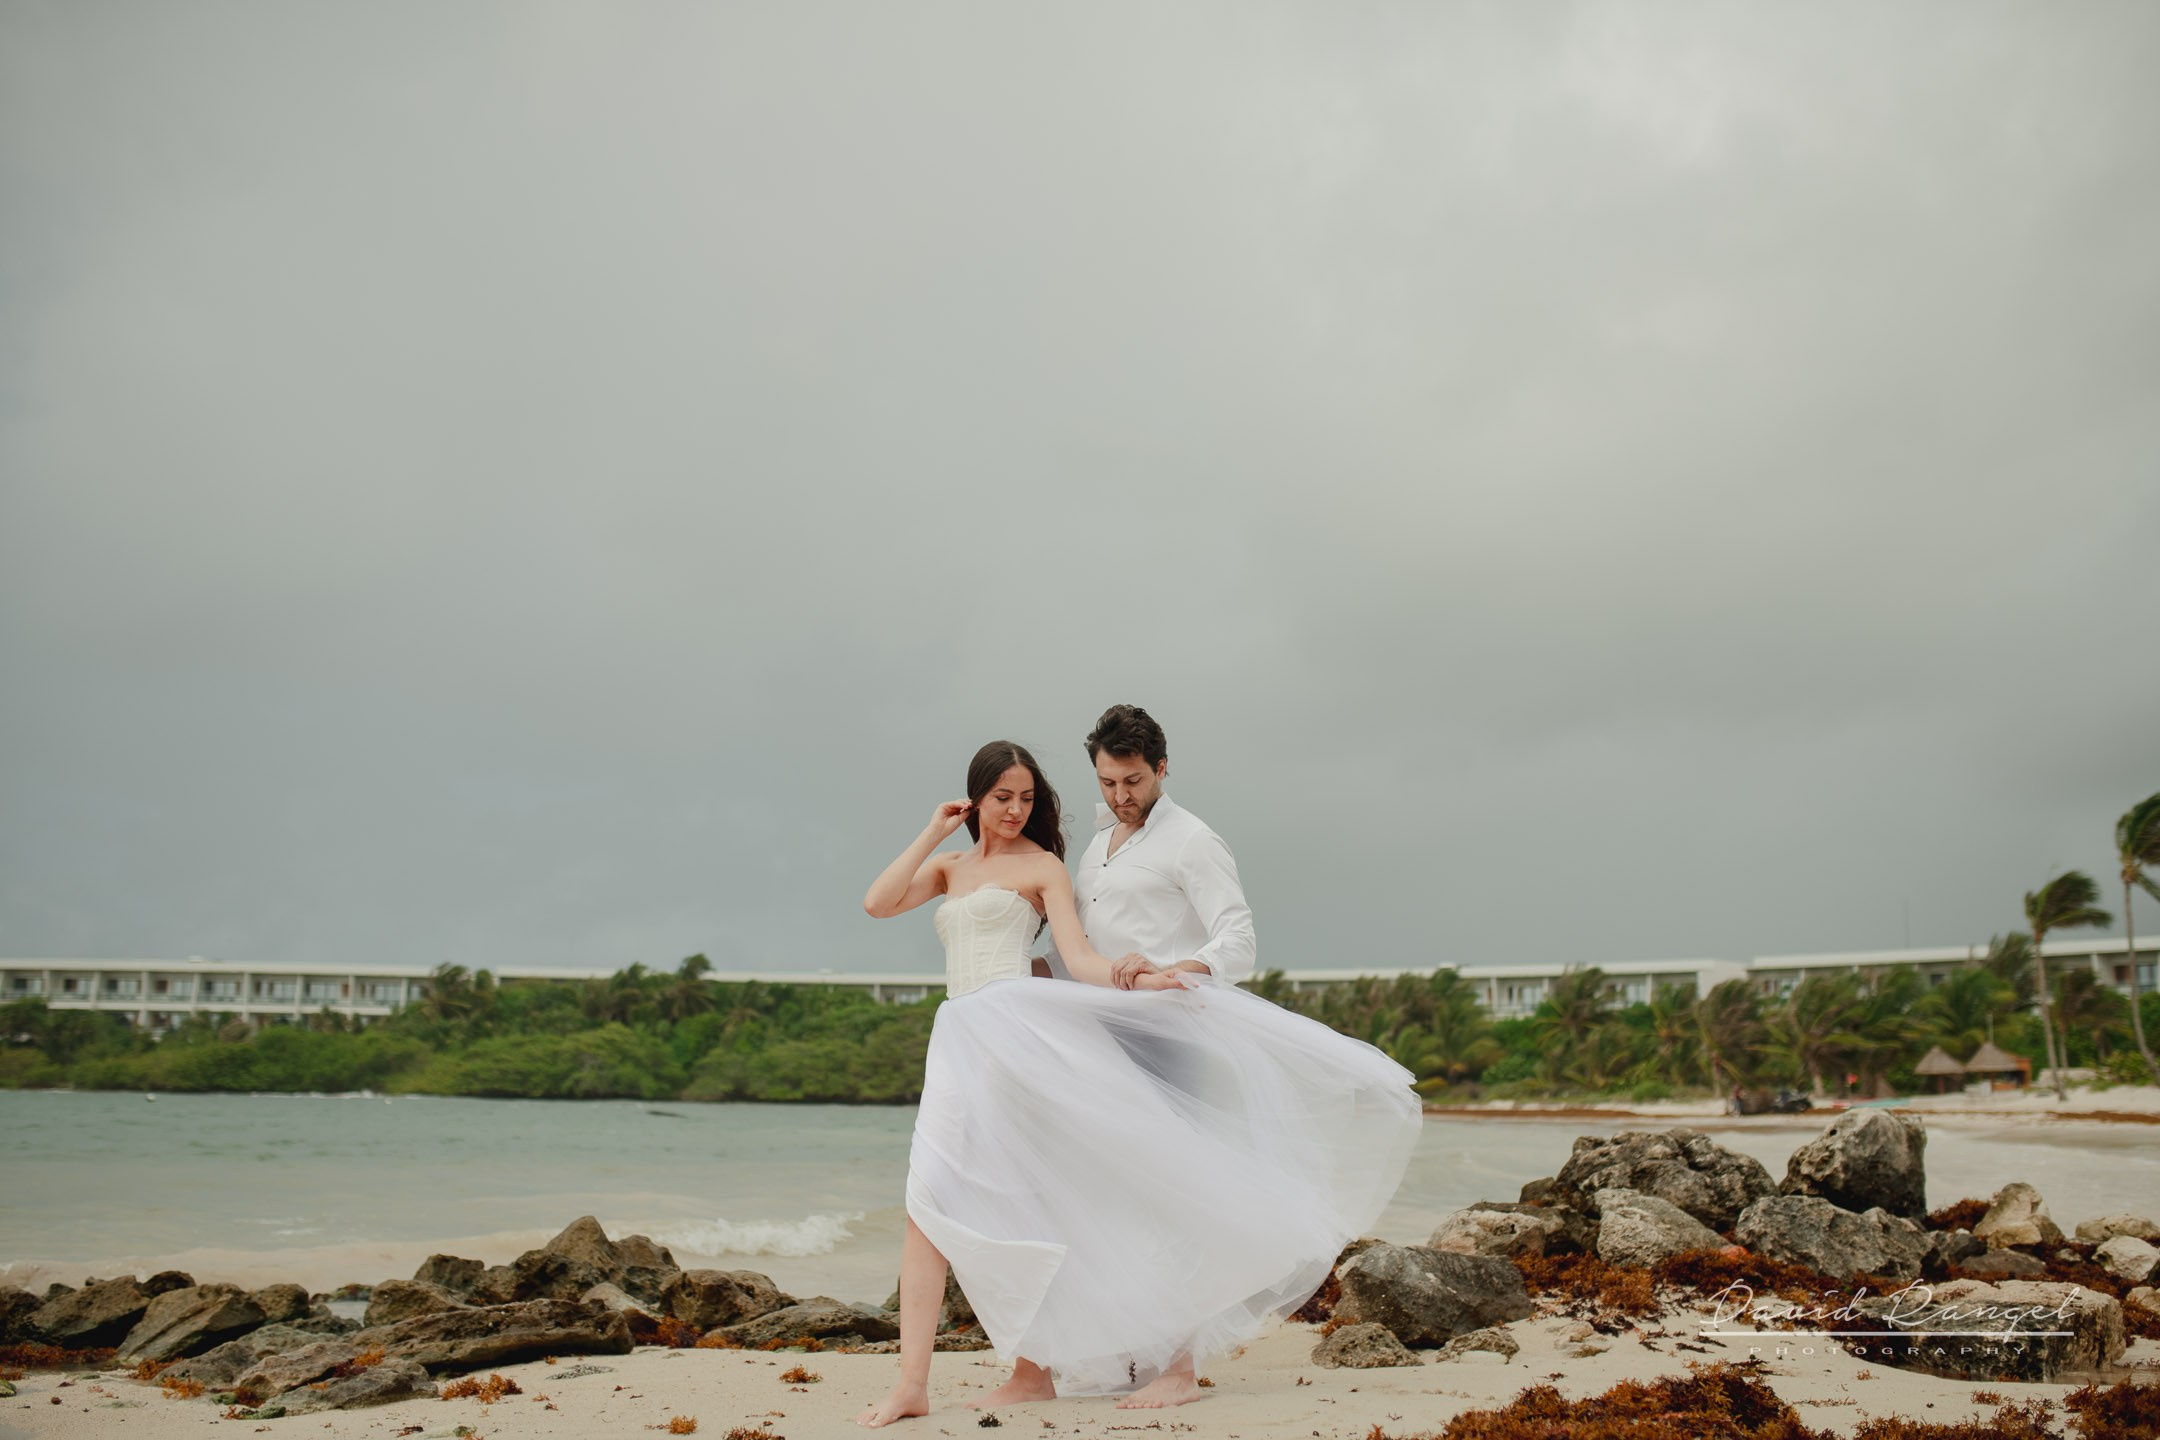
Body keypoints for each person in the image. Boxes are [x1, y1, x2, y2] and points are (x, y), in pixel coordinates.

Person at [853, 738, 1422, 1427]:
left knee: (1041, 1196)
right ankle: (919, 1384)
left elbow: (1081, 956)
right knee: (928, 1201)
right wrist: (936, 828)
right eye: (1002, 796)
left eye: (1027, 798)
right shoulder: (951, 866)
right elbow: (878, 904)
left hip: (1020, 1037)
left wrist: (1143, 974)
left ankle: (1074, 1367)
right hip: (956, 1043)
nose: (1015, 809)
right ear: (977, 797)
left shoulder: (1046, 866)